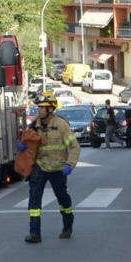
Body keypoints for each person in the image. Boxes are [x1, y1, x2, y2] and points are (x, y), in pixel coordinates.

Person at [19, 91, 80, 243]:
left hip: (58, 168)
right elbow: (29, 144)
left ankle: (67, 225)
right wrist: (22, 146)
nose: (39, 110)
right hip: (39, 168)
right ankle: (34, 233)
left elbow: (74, 147)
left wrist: (69, 164)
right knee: (34, 201)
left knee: (62, 198)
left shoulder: (61, 125)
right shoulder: (34, 125)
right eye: (39, 107)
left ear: (50, 109)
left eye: (42, 108)